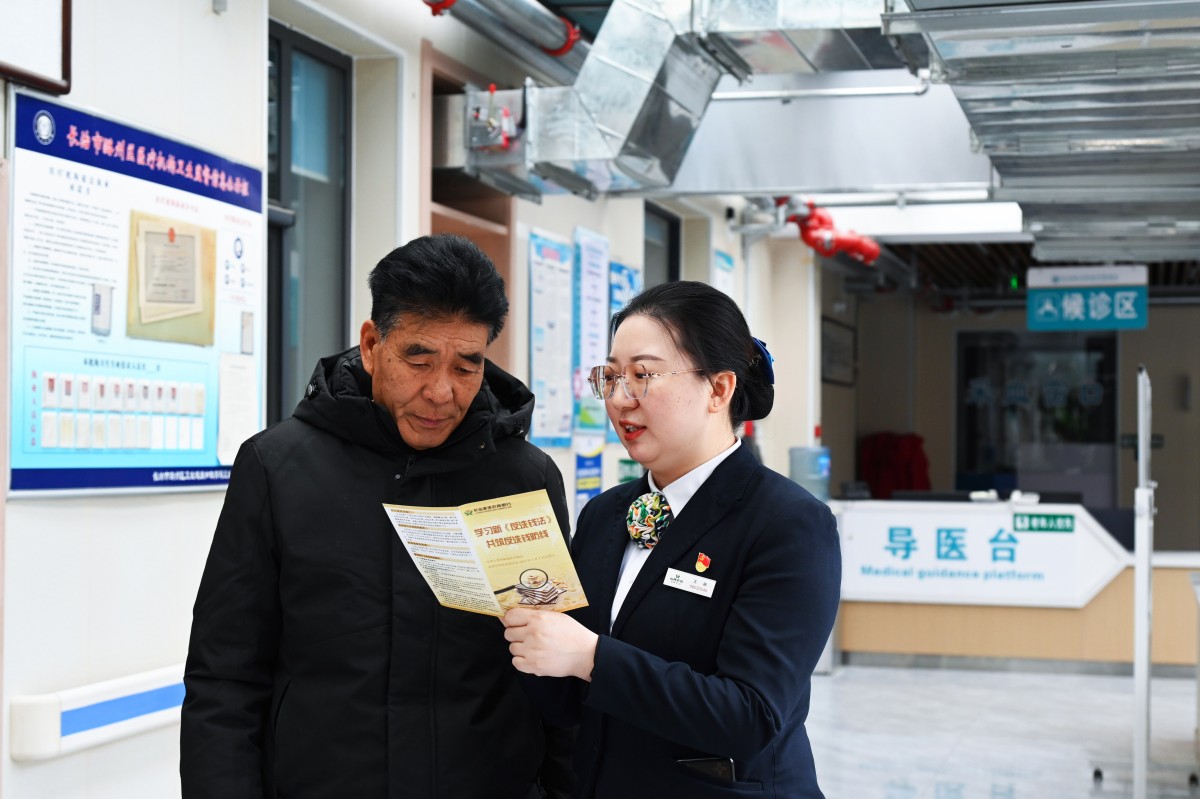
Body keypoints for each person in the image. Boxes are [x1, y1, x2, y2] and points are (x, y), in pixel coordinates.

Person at [181, 234, 573, 799]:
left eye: (467, 367)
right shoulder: (278, 469)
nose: (441, 392)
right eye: (419, 359)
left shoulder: (523, 480)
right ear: (371, 345)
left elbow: (558, 673)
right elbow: (225, 677)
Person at [502, 280, 841, 798]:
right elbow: (568, 703)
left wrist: (591, 656)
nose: (620, 399)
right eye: (611, 377)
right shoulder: (606, 514)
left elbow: (750, 716)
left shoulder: (788, 523)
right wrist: (525, 625)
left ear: (719, 389)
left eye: (643, 376)